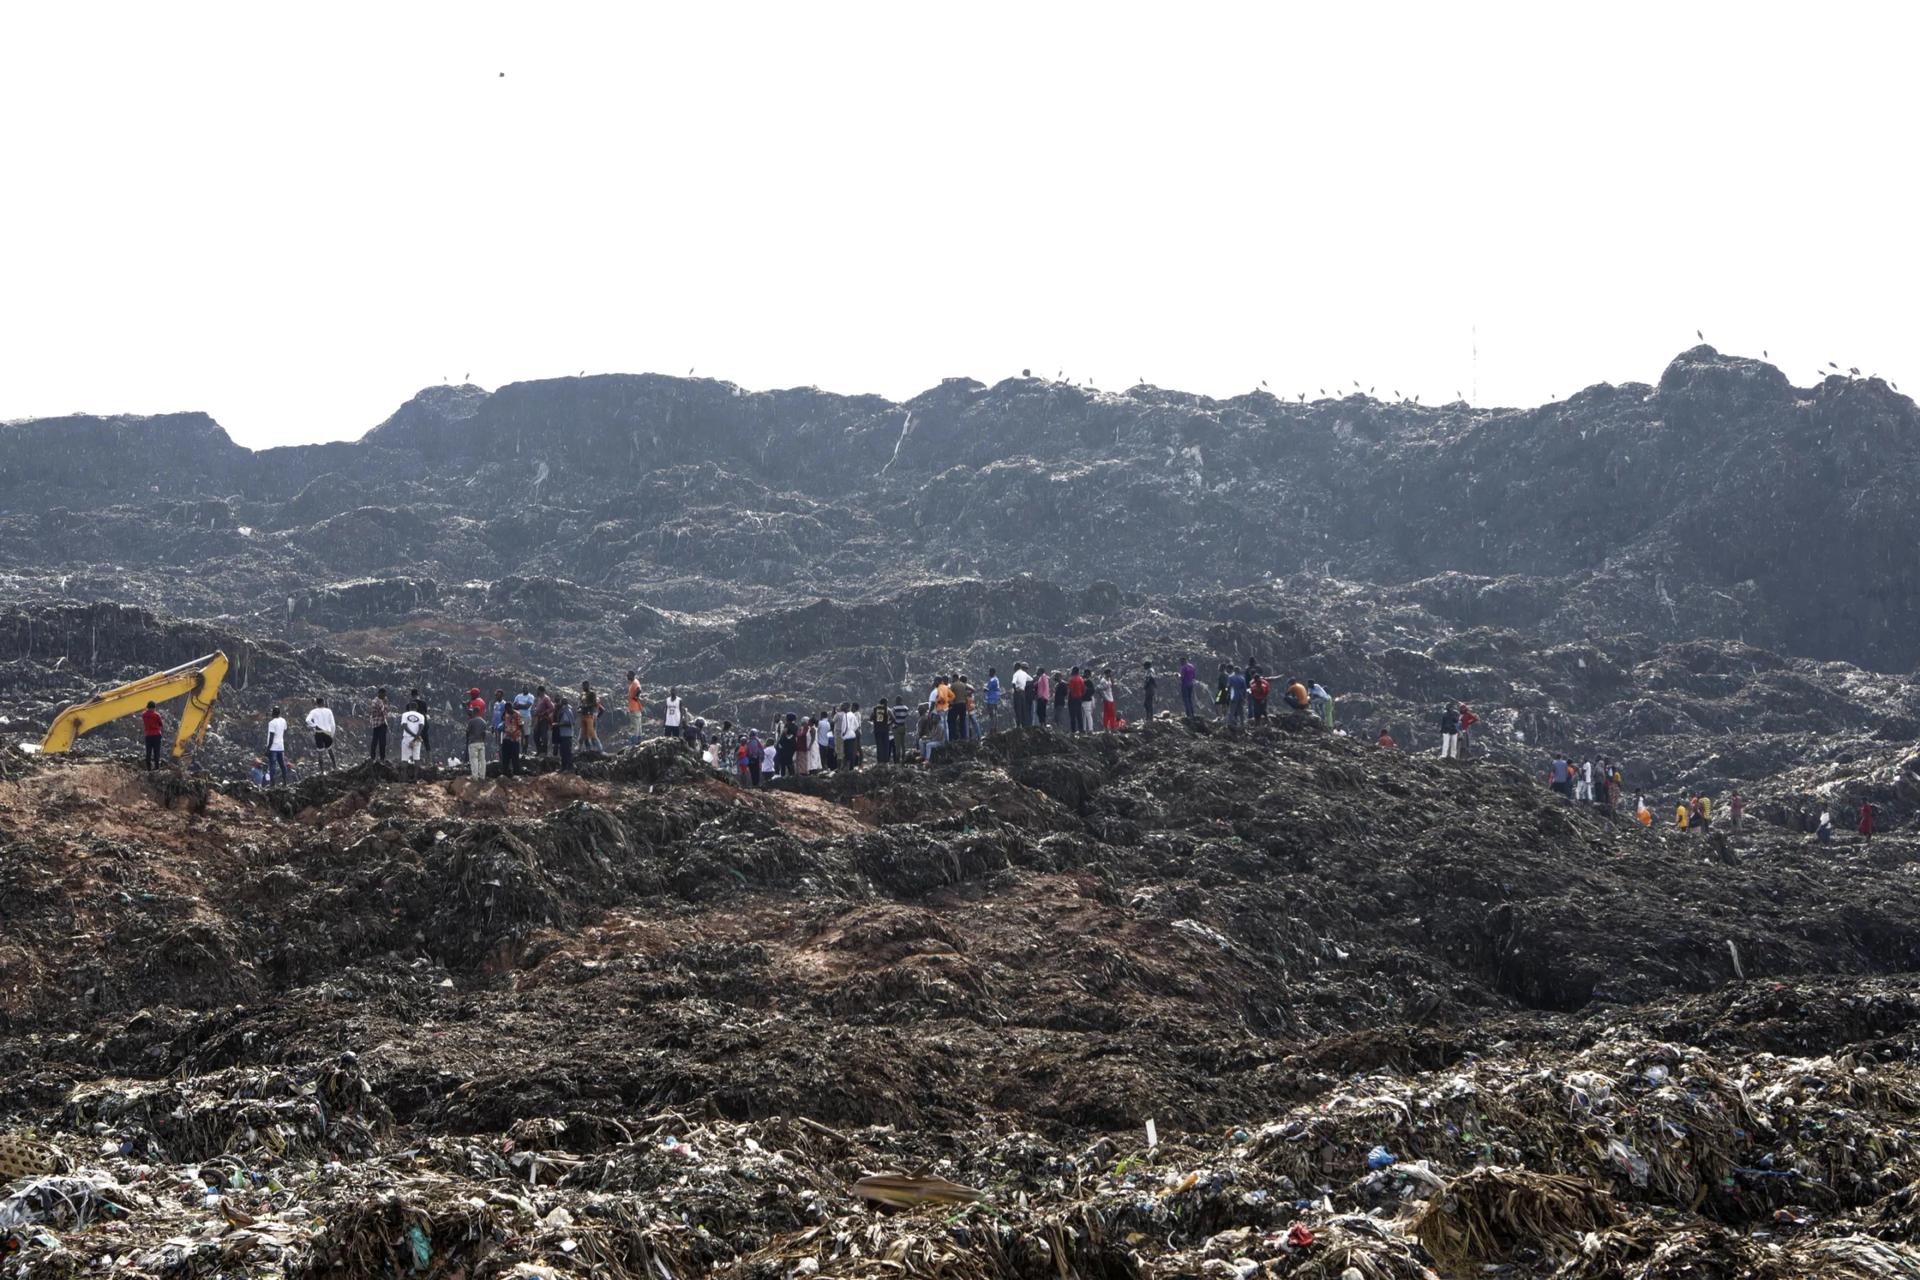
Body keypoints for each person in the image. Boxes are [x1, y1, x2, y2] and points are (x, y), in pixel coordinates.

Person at [305, 697, 338, 772]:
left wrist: (314, 725)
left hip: (318, 733)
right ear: (323, 703)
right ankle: (335, 767)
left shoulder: (313, 711)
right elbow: (333, 724)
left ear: (317, 703)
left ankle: (322, 771)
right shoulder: (328, 711)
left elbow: (307, 720)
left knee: (320, 752)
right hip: (327, 732)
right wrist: (332, 734)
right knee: (330, 750)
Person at [266, 706, 291, 784]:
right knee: (282, 765)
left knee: (272, 765)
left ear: (273, 713)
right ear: (279, 713)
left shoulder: (271, 723)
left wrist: (267, 749)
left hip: (273, 747)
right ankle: (285, 782)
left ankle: (272, 783)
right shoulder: (283, 721)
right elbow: (285, 729)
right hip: (281, 746)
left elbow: (271, 737)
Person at [400, 700, 427, 771]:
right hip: (417, 739)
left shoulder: (404, 714)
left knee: (404, 759)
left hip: (406, 738)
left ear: (409, 707)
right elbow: (421, 728)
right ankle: (415, 779)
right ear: (417, 708)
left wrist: (413, 735)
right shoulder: (421, 716)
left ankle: (404, 778)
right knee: (416, 758)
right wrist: (416, 737)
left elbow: (404, 727)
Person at [500, 699, 524, 776]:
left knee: (515, 757)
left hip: (515, 738)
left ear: (511, 707)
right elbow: (502, 718)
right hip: (506, 737)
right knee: (505, 756)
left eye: (508, 709)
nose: (507, 711)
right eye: (506, 709)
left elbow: (521, 726)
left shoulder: (517, 714)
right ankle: (505, 773)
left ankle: (516, 773)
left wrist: (520, 736)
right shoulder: (506, 713)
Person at [465, 705, 489, 780]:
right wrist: (483, 740)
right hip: (481, 742)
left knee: (474, 759)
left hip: (473, 742)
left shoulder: (471, 721)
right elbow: (484, 733)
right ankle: (482, 776)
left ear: (474, 712)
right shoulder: (483, 722)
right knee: (482, 760)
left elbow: (468, 732)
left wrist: (467, 739)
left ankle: (475, 777)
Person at [140, 700, 165, 771]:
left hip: (148, 735)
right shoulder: (157, 715)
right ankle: (157, 768)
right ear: (154, 707)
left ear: (147, 707)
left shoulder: (144, 715)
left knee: (148, 752)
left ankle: (149, 769)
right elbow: (160, 724)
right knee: (156, 752)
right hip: (156, 735)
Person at [950, 675, 974, 742]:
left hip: (956, 704)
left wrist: (950, 703)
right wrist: (967, 694)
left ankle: (954, 737)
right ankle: (963, 737)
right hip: (963, 705)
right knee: (962, 721)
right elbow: (972, 690)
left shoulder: (953, 685)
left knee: (952, 720)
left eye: (952, 679)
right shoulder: (963, 685)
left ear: (955, 678)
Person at [554, 697, 575, 770]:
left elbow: (569, 723)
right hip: (565, 734)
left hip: (566, 734)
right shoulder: (567, 710)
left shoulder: (566, 711)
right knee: (564, 751)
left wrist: (557, 724)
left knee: (566, 752)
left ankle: (568, 767)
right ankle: (564, 767)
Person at [579, 682, 601, 752]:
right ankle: (588, 749)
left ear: (588, 685)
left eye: (585, 685)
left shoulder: (592, 693)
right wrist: (579, 708)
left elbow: (594, 703)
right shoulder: (582, 694)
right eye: (583, 685)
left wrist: (587, 706)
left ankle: (598, 749)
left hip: (589, 715)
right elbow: (580, 703)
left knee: (591, 732)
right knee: (584, 733)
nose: (584, 687)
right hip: (583, 715)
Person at [369, 687, 390, 760]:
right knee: (382, 742)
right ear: (380, 693)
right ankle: (382, 758)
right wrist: (386, 704)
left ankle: (373, 757)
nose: (385, 696)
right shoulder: (379, 701)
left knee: (375, 741)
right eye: (384, 695)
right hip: (380, 723)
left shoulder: (374, 701)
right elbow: (384, 712)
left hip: (375, 724)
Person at [1010, 662, 1032, 727]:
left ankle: (1018, 725)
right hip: (1023, 693)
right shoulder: (1024, 674)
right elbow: (1031, 680)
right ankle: (1023, 724)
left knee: (1018, 708)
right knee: (1023, 709)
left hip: (1018, 693)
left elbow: (1013, 683)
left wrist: (1016, 689)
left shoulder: (1016, 674)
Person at [841, 703, 863, 767]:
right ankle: (857, 763)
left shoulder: (854, 714)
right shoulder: (856, 714)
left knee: (854, 748)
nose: (852, 708)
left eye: (852, 707)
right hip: (856, 732)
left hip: (854, 733)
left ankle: (854, 764)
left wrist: (844, 733)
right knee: (857, 748)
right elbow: (856, 725)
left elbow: (846, 726)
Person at [1066, 668, 1087, 733]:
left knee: (1072, 715)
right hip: (1079, 698)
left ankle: (1073, 730)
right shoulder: (1081, 679)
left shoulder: (1072, 679)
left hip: (1072, 698)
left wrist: (1070, 696)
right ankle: (1081, 729)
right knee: (1079, 714)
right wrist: (1081, 695)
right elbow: (1084, 689)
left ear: (1073, 671)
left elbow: (1070, 689)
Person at [626, 671, 644, 742]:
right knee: (638, 726)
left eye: (628, 675)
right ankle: (639, 741)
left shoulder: (635, 683)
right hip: (636, 708)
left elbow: (639, 690)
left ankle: (635, 742)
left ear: (632, 676)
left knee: (635, 726)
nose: (627, 677)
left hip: (634, 708)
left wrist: (635, 697)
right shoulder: (635, 681)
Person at [984, 668, 1002, 733]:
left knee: (992, 714)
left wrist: (984, 688)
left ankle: (993, 728)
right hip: (995, 698)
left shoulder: (992, 680)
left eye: (990, 672)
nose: (989, 673)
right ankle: (995, 727)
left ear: (992, 672)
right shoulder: (996, 679)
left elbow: (987, 688)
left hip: (991, 699)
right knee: (995, 713)